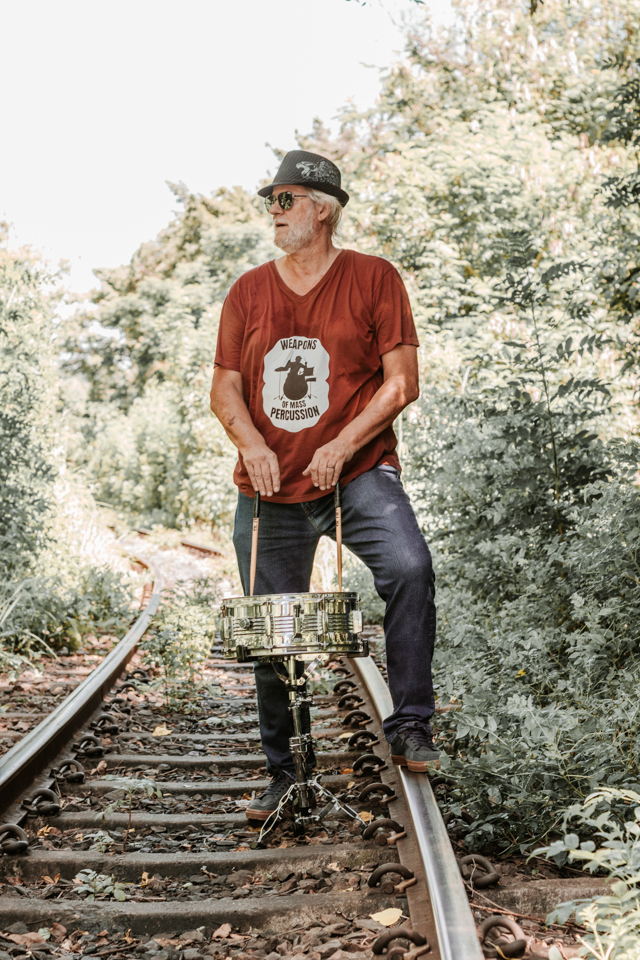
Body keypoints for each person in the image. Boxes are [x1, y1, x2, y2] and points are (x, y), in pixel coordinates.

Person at [210, 149, 438, 821]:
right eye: (271, 202)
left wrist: (343, 443)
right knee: (273, 627)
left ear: (321, 209)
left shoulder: (373, 279)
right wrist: (250, 444)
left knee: (410, 566)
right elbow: (223, 387)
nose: (273, 213)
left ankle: (412, 725)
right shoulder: (248, 291)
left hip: (358, 473)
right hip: (269, 489)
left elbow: (403, 382)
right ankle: (288, 775)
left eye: (284, 201)